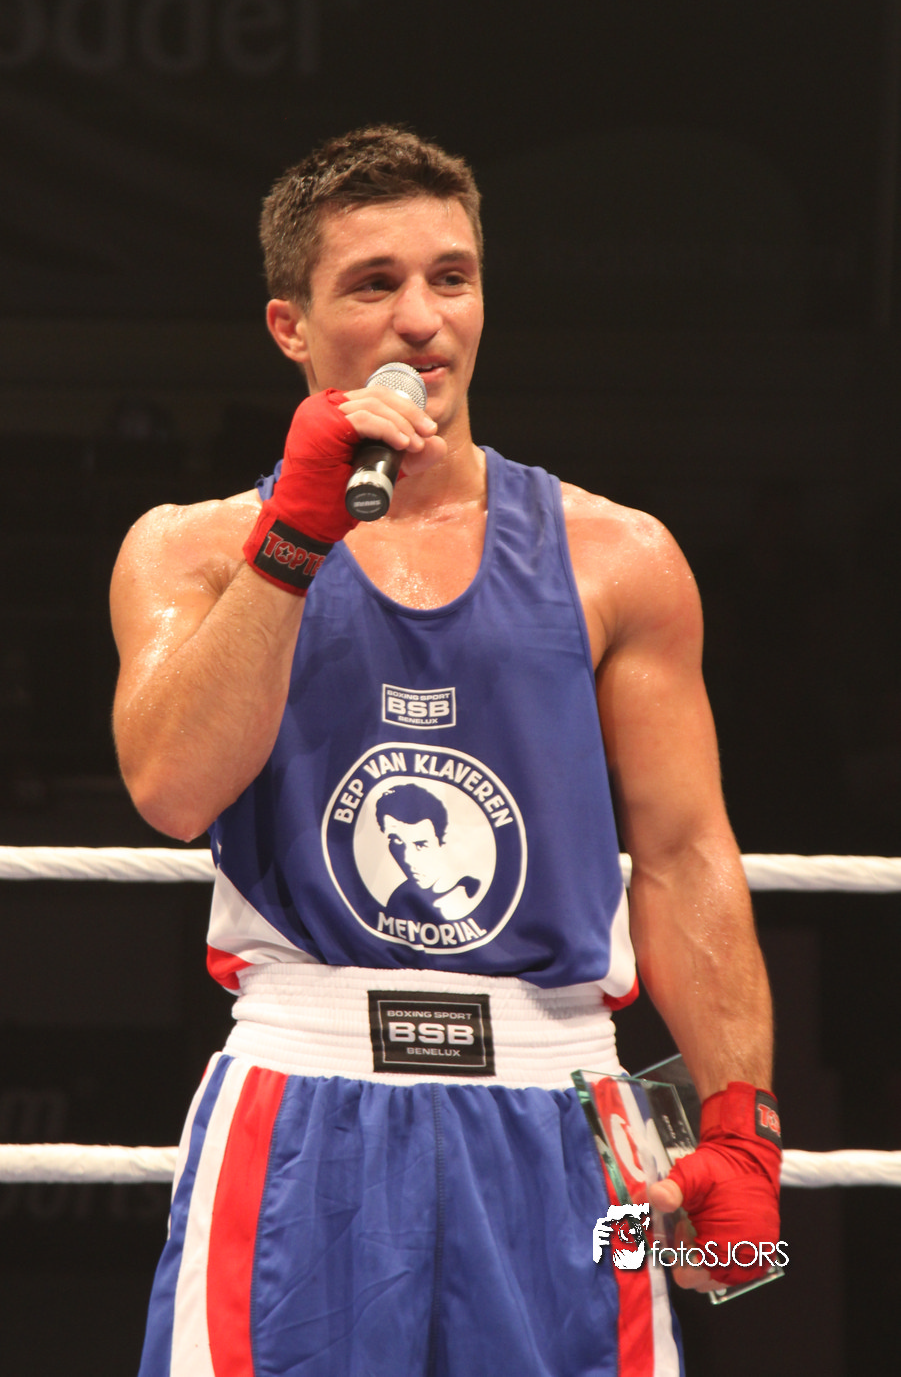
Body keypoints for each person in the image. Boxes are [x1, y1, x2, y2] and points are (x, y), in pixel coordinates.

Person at [111, 125, 781, 1377]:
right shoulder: (191, 549)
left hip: (562, 1103)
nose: (420, 318)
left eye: (451, 278)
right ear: (290, 326)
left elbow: (685, 851)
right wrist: (294, 540)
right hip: (301, 1096)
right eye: (373, 283)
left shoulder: (617, 556)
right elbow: (171, 788)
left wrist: (740, 1129)